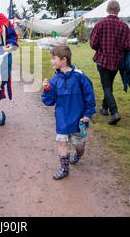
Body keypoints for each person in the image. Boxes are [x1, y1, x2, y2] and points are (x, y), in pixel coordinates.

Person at [41, 45, 96, 180]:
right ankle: (64, 169)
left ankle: (80, 150)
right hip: (62, 119)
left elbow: (89, 96)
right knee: (61, 142)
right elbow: (49, 101)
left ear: (64, 60)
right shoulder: (54, 81)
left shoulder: (80, 77)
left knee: (76, 141)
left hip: (78, 118)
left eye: (54, 59)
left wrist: (88, 114)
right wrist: (47, 89)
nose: (52, 61)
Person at [89, 0, 130, 125]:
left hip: (103, 60)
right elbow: (128, 46)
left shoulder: (100, 24)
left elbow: (93, 43)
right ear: (118, 10)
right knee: (108, 84)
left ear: (107, 10)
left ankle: (114, 112)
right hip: (117, 61)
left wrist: (101, 49)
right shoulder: (124, 26)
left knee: (107, 86)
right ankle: (104, 108)